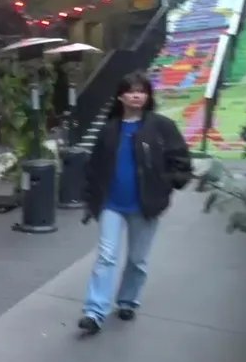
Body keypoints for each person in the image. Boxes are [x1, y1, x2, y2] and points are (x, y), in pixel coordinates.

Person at [77, 71, 192, 335]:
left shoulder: (162, 126)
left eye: (142, 91)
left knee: (137, 259)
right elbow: (94, 167)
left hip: (145, 204)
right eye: (131, 91)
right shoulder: (109, 129)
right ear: (121, 96)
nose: (137, 95)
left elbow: (181, 159)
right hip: (111, 204)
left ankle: (128, 301)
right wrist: (89, 198)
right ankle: (94, 312)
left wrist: (167, 184)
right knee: (106, 257)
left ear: (148, 96)